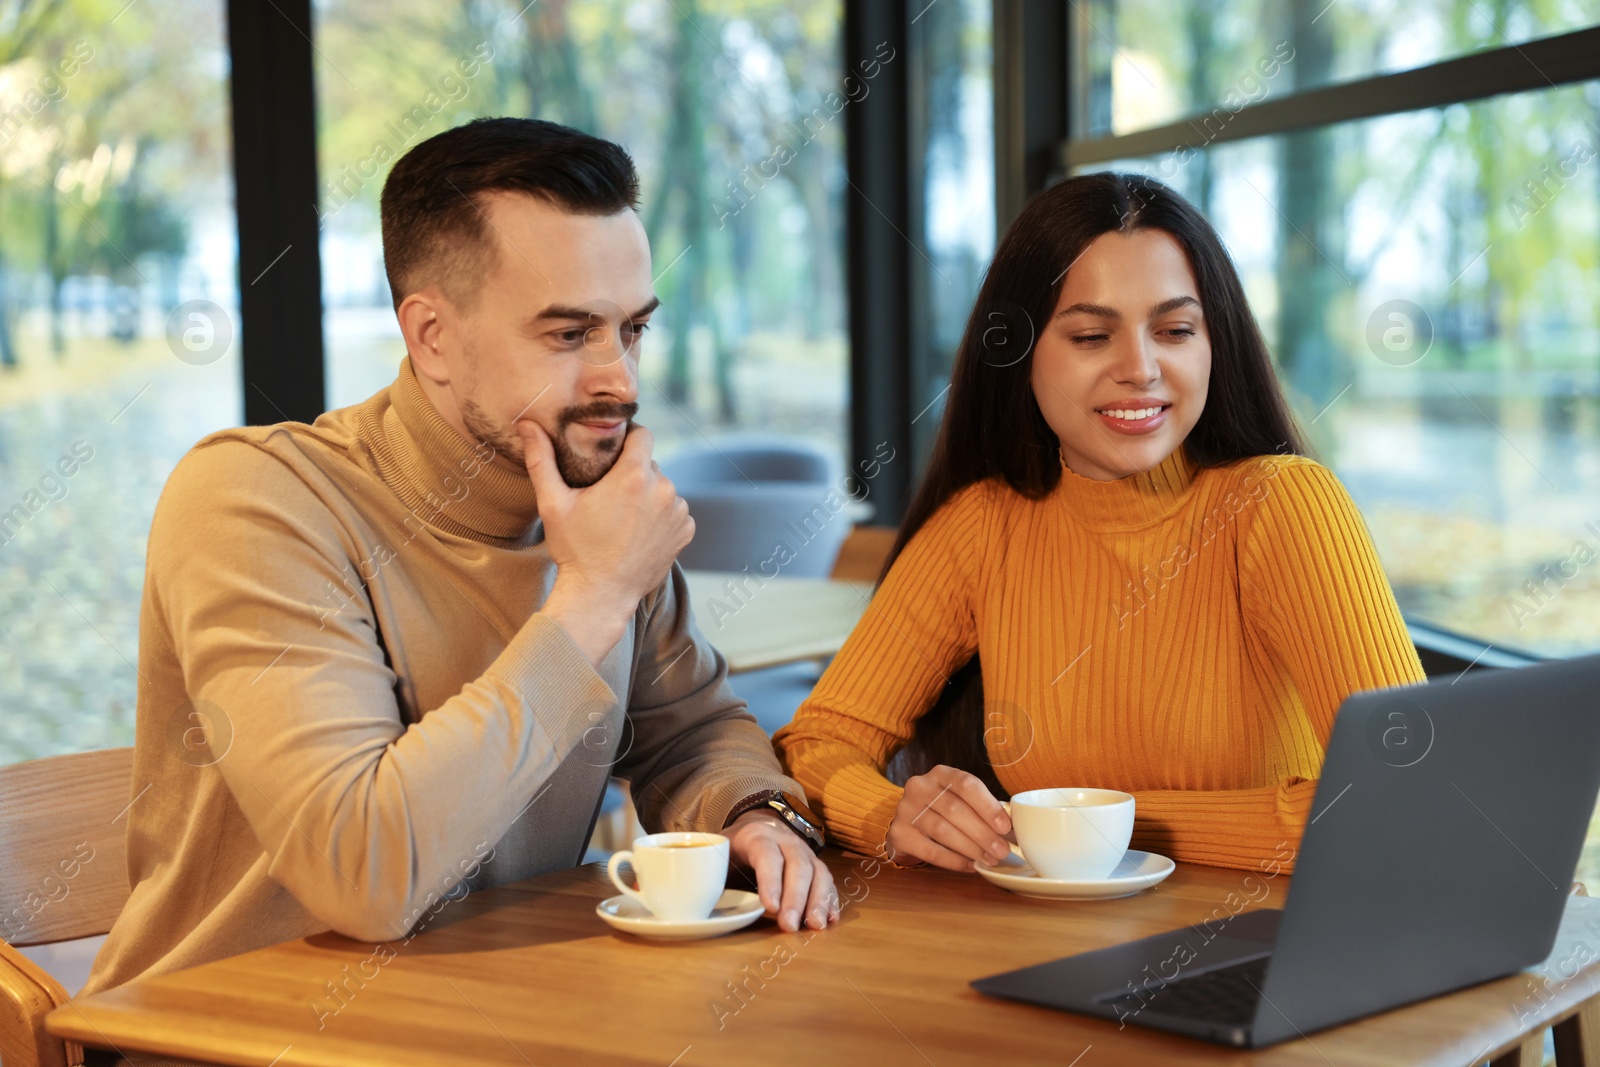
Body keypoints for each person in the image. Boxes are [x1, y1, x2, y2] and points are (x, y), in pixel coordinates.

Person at [82, 118, 836, 1000]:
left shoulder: (596, 501)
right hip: (216, 1041)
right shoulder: (256, 500)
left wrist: (756, 815)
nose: (620, 380)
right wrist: (591, 596)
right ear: (432, 336)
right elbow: (364, 871)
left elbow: (694, 734)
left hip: (487, 1021)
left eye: (631, 329)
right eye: (568, 335)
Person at [774, 172, 1425, 875]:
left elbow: (1407, 792)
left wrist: (1088, 824)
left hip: (1268, 953)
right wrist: (889, 813)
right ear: (1020, 355)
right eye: (1090, 335)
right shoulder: (983, 527)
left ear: (1216, 344)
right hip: (1043, 945)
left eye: (1175, 330)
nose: (1140, 369)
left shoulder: (1284, 506)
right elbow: (817, 743)